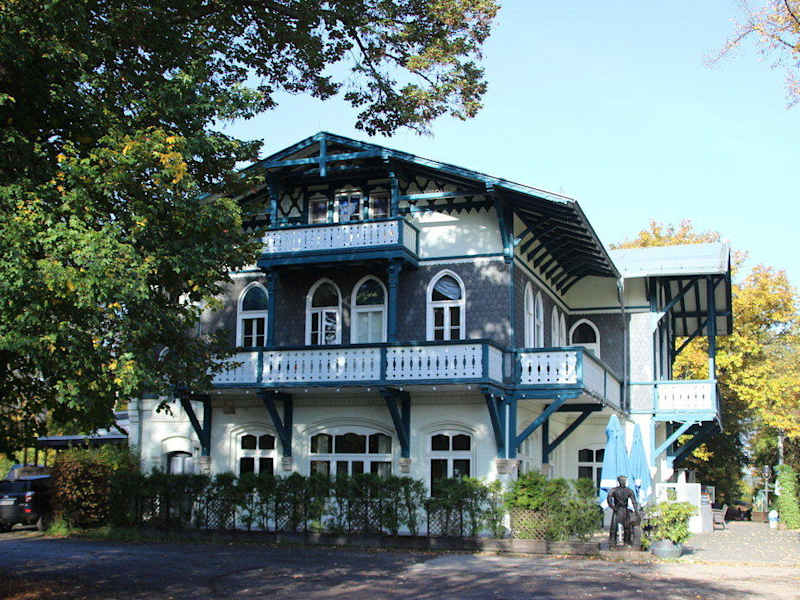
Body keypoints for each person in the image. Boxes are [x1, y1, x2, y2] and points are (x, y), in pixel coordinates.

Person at [607, 475, 640, 546]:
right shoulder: (614, 490)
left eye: (624, 480)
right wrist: (613, 507)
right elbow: (609, 500)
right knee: (614, 528)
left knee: (627, 527)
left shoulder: (629, 490)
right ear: (619, 481)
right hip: (617, 510)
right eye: (621, 480)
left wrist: (636, 511)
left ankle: (627, 541)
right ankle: (612, 542)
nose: (623, 482)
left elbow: (634, 502)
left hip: (624, 510)